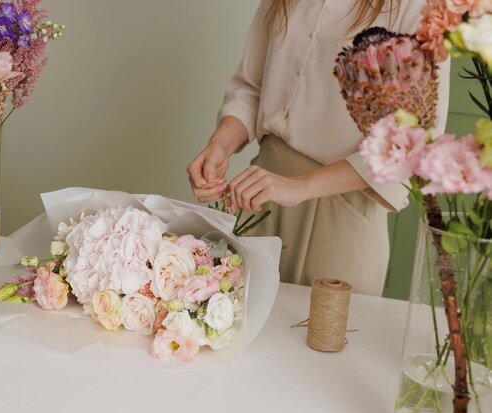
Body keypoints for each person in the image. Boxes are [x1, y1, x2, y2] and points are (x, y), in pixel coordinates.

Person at [187, 0, 450, 296]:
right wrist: (220, 145)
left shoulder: (415, 6)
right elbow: (251, 87)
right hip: (261, 199)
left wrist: (298, 186)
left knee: (324, 335)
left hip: (344, 214)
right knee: (237, 327)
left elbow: (414, 137)